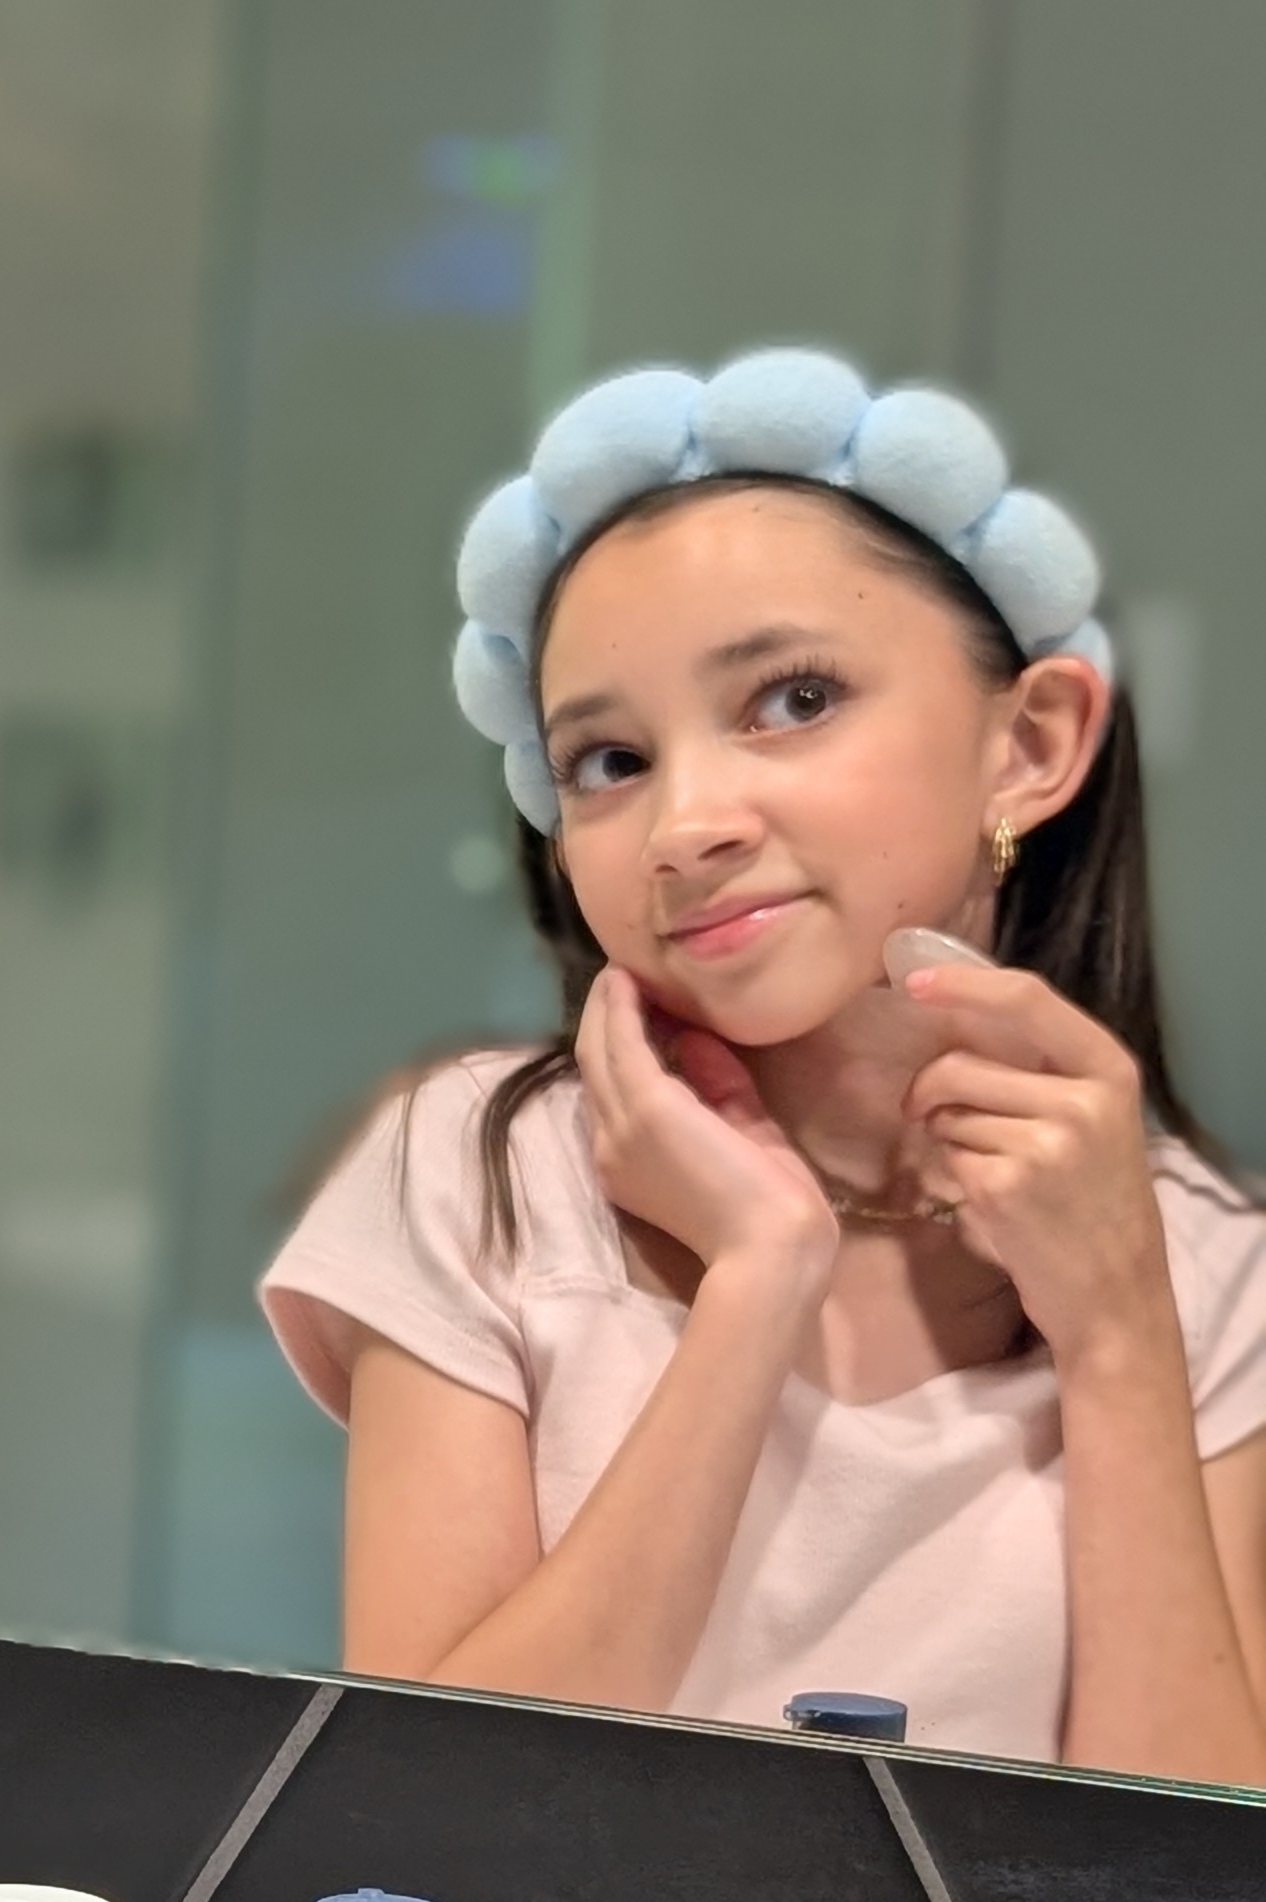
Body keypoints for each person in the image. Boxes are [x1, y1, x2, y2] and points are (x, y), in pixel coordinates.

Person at [266, 352, 1266, 1780]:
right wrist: (755, 1282)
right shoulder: (478, 1175)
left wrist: (1115, 1327)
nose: (686, 822)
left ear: (1030, 745)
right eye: (609, 760)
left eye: (794, 699)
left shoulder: (1212, 1268)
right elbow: (431, 1811)